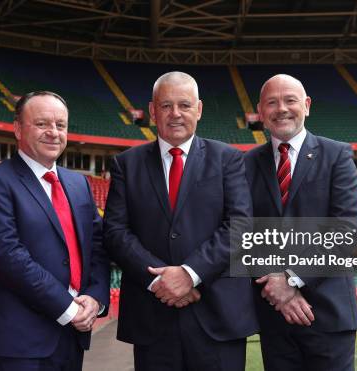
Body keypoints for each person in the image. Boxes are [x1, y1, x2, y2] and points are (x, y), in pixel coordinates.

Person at [104, 71, 258, 371]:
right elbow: (115, 232)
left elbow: (240, 226)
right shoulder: (126, 164)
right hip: (152, 319)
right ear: (152, 111)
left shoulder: (228, 159)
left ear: (198, 110)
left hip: (217, 319)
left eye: (184, 105)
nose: (175, 114)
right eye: (166, 106)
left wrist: (190, 273)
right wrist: (159, 280)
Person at [0, 91, 110, 371]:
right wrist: (69, 308)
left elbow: (98, 247)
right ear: (17, 128)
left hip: (72, 337)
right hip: (21, 339)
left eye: (60, 125)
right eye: (42, 124)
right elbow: (7, 255)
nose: (53, 132)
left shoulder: (79, 184)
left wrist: (96, 298)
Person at [245, 75, 357, 370]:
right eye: (272, 102)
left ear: (306, 106)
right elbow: (239, 231)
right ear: (261, 111)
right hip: (274, 317)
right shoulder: (245, 164)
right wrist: (278, 290)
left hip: (329, 316)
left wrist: (292, 278)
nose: (281, 108)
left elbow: (346, 232)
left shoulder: (337, 155)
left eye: (290, 100)